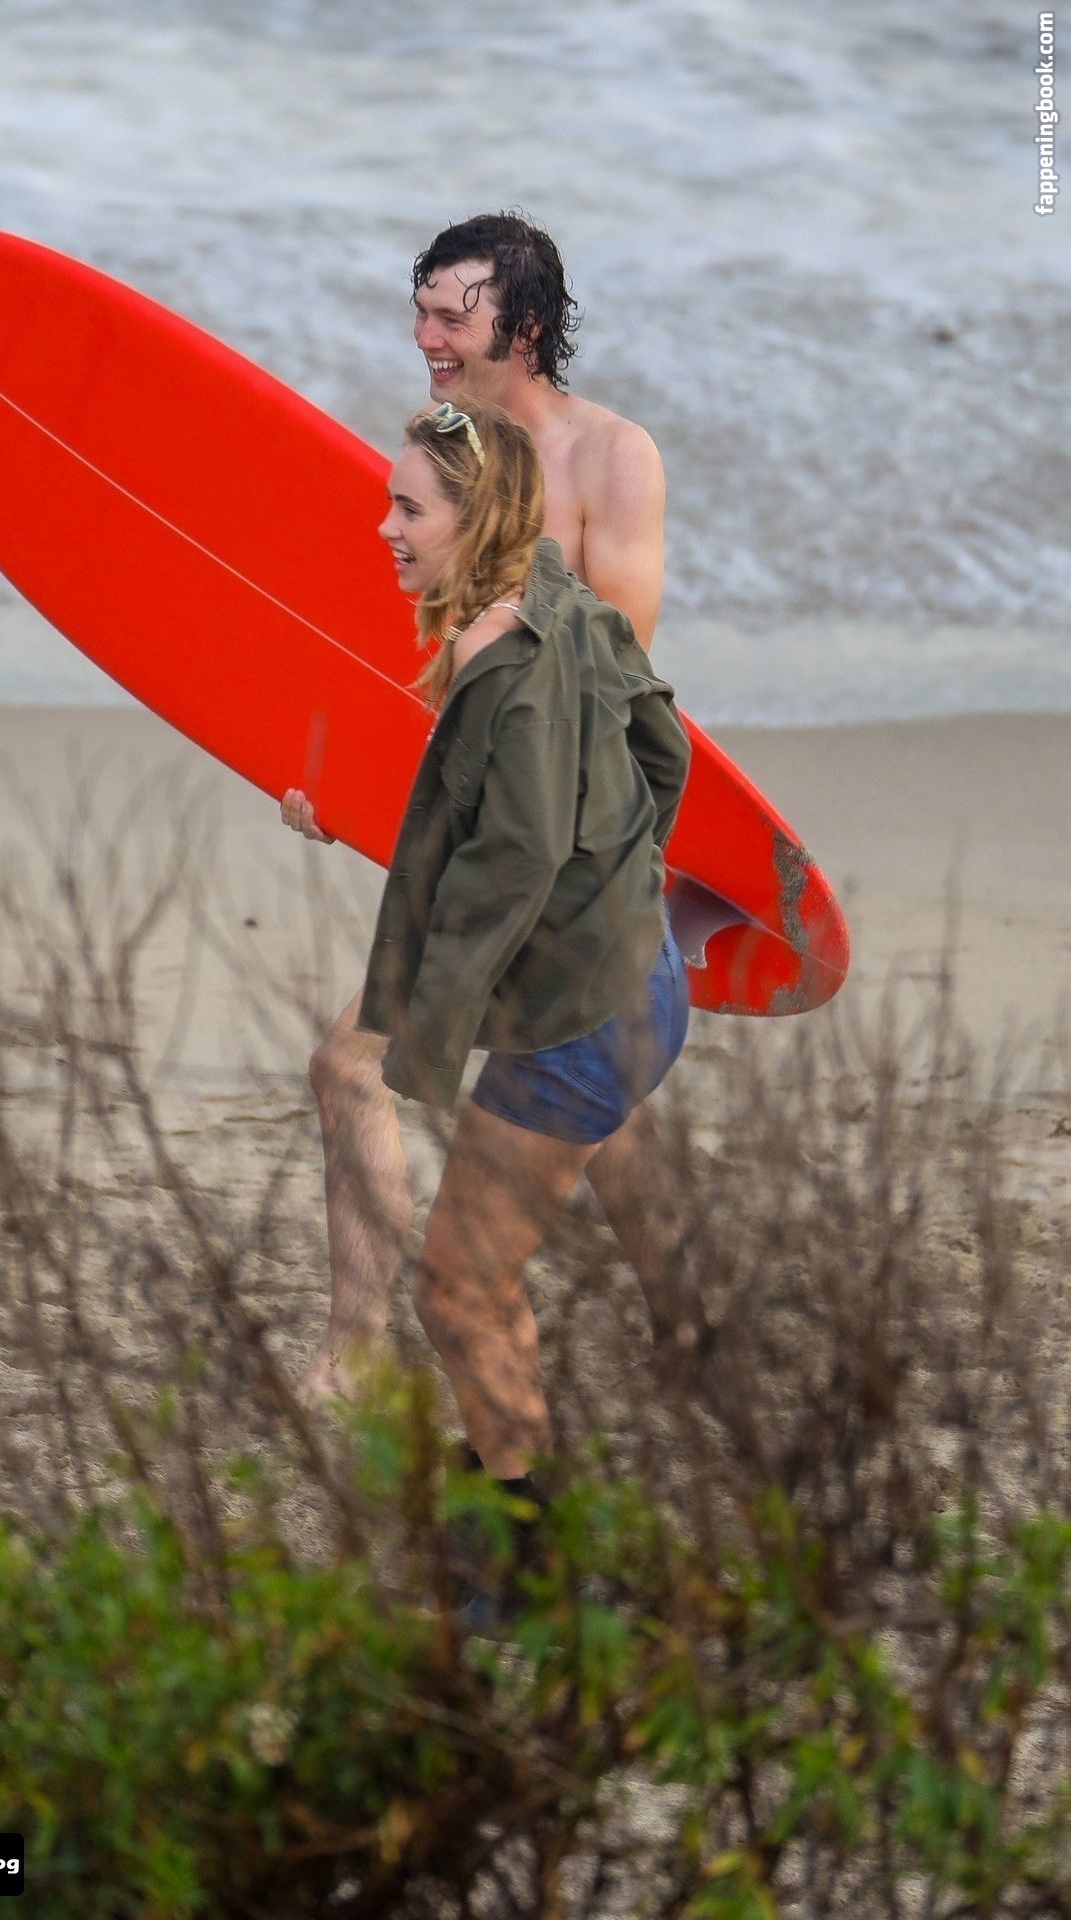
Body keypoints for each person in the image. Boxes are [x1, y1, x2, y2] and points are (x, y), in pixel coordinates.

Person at [285, 213, 689, 1417]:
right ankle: (686, 1321)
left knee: (373, 1063)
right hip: (497, 832)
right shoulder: (444, 456)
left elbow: (607, 684)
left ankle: (361, 1350)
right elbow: (406, 669)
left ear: (521, 326)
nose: (424, 336)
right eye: (418, 310)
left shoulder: (612, 460)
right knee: (578, 1090)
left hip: (564, 852)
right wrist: (334, 787)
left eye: (448, 315)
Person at [331, 396, 689, 1555]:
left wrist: (422, 1036)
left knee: (456, 1289)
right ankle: (506, 1468)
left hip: (580, 1021)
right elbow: (661, 745)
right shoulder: (560, 600)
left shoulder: (500, 660)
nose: (384, 528)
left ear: (476, 515)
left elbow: (514, 858)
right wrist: (622, 879)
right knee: (477, 1277)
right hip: (642, 974)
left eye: (407, 509)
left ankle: (520, 1547)